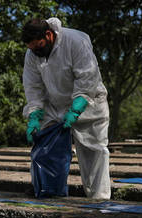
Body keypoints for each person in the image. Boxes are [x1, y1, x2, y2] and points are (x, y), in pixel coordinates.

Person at [22, 17, 111, 199]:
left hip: (88, 101)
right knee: (45, 144)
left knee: (93, 151)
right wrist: (34, 114)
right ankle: (48, 190)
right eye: (32, 48)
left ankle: (99, 200)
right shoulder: (32, 54)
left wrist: (77, 107)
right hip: (55, 104)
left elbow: (87, 76)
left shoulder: (76, 41)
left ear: (48, 35)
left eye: (38, 46)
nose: (35, 52)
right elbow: (33, 86)